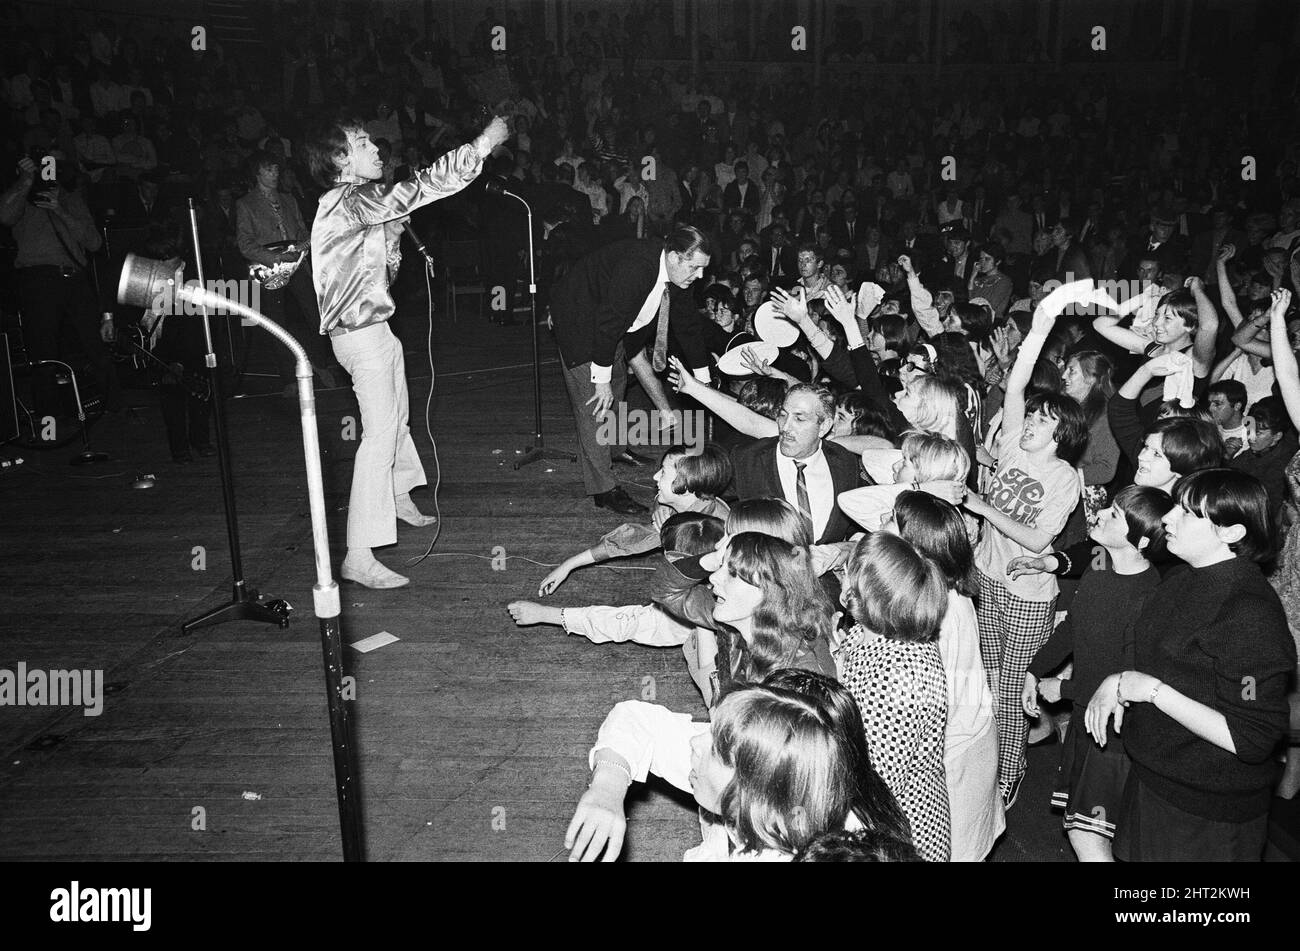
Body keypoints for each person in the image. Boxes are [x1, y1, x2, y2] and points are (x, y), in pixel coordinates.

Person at [304, 113, 510, 588]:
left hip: (376, 329)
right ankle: (358, 554)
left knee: (396, 421)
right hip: (361, 336)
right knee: (376, 437)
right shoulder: (348, 200)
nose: (376, 149)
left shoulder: (351, 206)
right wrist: (479, 146)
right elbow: (420, 187)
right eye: (361, 143)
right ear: (340, 159)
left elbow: (376, 279)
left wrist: (392, 244)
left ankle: (397, 497)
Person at [1085, 469, 1296, 861]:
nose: (1168, 518)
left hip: (1207, 813)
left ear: (1231, 533)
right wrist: (1119, 679)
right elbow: (1146, 639)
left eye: (1187, 512)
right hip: (1155, 779)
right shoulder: (1184, 577)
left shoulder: (1248, 612)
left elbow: (1251, 738)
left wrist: (1152, 692)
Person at [963, 281, 1088, 806]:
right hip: (989, 578)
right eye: (1032, 418)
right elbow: (1014, 388)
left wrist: (980, 505)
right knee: (990, 681)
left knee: (1013, 691)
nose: (1032, 423)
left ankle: (1009, 774)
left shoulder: (1065, 477)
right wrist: (1036, 332)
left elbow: (1040, 536)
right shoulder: (1013, 443)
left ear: (1063, 433)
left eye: (1044, 420)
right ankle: (993, 763)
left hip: (1028, 596)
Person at [565, 672, 890, 861]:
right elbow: (637, 719)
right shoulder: (786, 781)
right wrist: (607, 785)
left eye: (718, 751)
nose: (694, 742)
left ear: (757, 795)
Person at [1023, 485, 1174, 861]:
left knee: (1086, 835)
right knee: (1082, 830)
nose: (1102, 513)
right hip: (1086, 718)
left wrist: (1065, 688)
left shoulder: (1147, 596)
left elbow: (1124, 678)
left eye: (1115, 515)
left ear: (1139, 541)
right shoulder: (1101, 566)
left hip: (1115, 734)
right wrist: (1034, 670)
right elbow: (1073, 628)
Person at [548, 226, 715, 516]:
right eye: (695, 268)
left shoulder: (678, 275)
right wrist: (599, 380)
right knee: (596, 406)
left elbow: (687, 324)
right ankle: (604, 489)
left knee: (619, 383)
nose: (699, 276)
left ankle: (615, 448)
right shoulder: (638, 267)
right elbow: (609, 321)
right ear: (674, 257)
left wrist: (704, 380)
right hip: (580, 321)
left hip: (610, 325)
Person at [888, 490, 1004, 861]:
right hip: (974, 736)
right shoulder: (951, 588)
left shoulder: (931, 614)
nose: (881, 527)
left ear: (916, 548)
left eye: (892, 523)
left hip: (954, 753)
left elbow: (930, 711)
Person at [838, 531, 952, 862]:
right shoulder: (876, 629)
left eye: (848, 569)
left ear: (865, 593)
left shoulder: (897, 677)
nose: (843, 575)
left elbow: (876, 784)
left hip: (899, 835)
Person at [1, 156, 119, 419]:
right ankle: (48, 421)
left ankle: (113, 407)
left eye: (53, 167)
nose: (48, 172)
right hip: (38, 279)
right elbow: (5, 217)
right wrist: (25, 180)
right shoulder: (22, 197)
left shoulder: (72, 199)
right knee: (43, 350)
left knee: (94, 342)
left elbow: (94, 243)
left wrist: (59, 209)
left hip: (74, 278)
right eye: (43, 167)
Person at [237, 151, 337, 396]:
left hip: (297, 265)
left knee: (317, 314)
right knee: (276, 322)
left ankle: (320, 363)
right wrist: (275, 257)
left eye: (276, 170)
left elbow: (302, 231)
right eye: (269, 170)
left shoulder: (289, 199)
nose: (275, 174)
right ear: (257, 174)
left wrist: (305, 245)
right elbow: (245, 244)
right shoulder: (245, 204)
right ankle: (287, 377)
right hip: (268, 269)